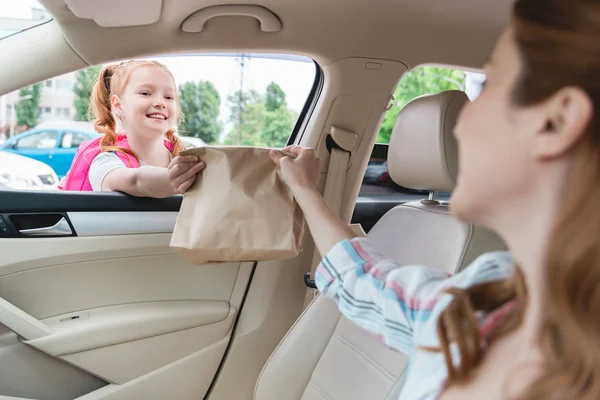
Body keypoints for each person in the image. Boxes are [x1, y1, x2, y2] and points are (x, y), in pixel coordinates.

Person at [269, 0, 600, 398]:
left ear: (556, 122)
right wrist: (305, 188)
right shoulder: (494, 289)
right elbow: (364, 284)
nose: (461, 123)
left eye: (487, 87)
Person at [59, 60, 204, 196]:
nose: (161, 103)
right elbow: (136, 181)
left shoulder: (184, 157)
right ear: (117, 105)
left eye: (169, 97)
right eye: (145, 93)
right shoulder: (105, 163)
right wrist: (173, 178)